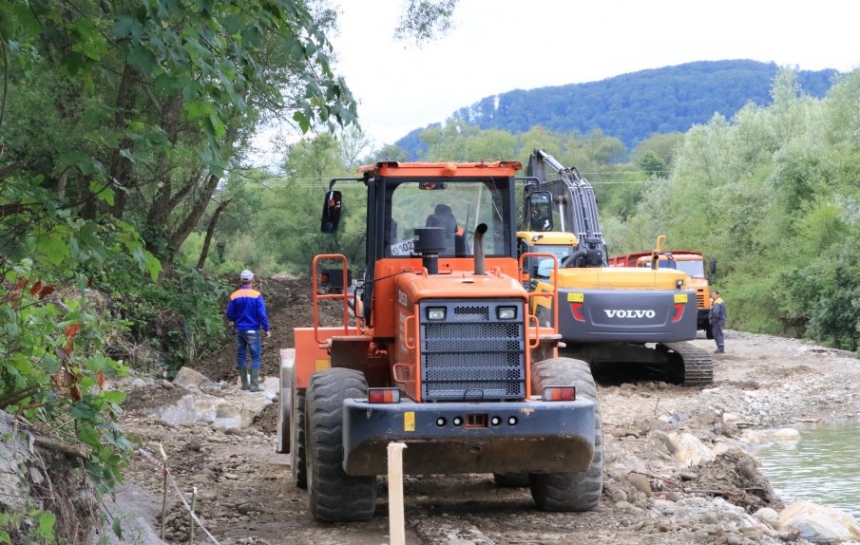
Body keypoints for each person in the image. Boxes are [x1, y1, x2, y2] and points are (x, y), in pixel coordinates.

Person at [226, 269, 271, 391]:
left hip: (240, 330)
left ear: (241, 281)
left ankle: (244, 385)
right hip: (252, 330)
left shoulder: (234, 295)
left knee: (241, 356)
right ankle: (254, 385)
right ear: (252, 281)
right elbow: (262, 314)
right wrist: (266, 329)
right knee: (255, 356)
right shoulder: (256, 295)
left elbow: (229, 314)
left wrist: (238, 320)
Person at [709, 289, 727, 354]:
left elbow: (716, 312)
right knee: (718, 333)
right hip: (721, 319)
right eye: (711, 295)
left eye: (714, 294)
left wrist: (713, 319)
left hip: (718, 320)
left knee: (717, 334)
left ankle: (721, 349)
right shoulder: (719, 301)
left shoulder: (717, 302)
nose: (712, 296)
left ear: (717, 294)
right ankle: (720, 348)